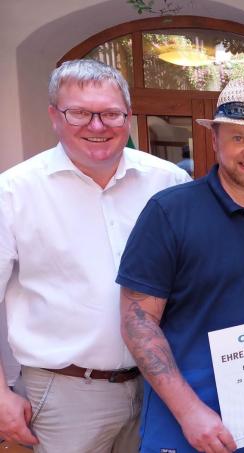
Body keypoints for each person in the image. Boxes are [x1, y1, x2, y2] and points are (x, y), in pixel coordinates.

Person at [116, 78, 244, 453]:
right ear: (215, 140)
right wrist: (188, 411)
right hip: (193, 430)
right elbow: (137, 320)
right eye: (238, 137)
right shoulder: (169, 212)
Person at [0, 59, 191, 452]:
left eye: (109, 113)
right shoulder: (13, 193)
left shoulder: (169, 182)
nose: (97, 126)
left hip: (160, 386)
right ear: (54, 116)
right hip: (64, 395)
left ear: (129, 117)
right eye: (80, 113)